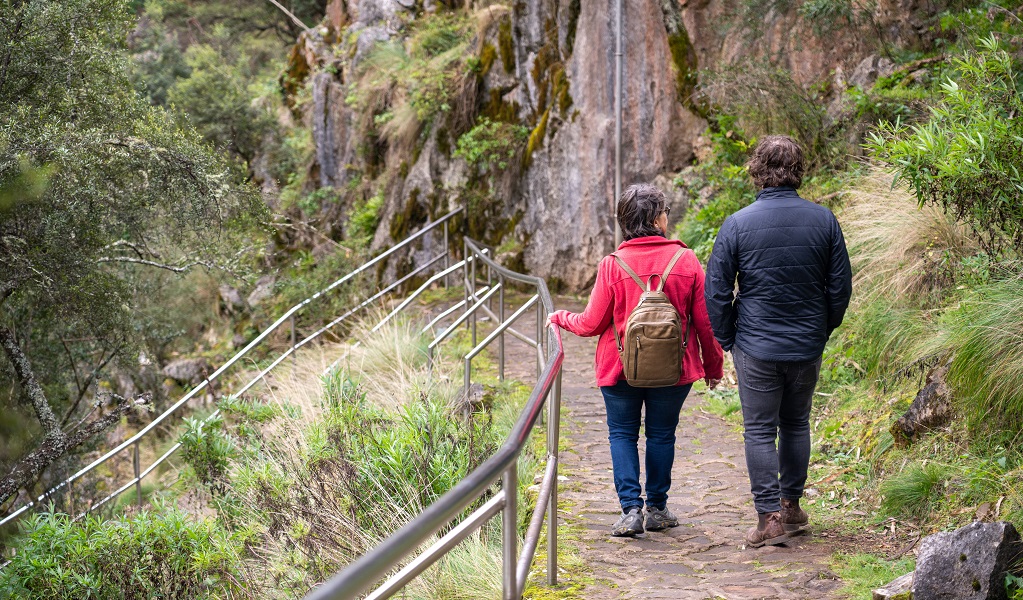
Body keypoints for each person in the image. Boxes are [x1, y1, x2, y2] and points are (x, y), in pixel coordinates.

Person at [548, 183, 724, 537]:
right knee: (662, 435)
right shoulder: (686, 260)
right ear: (659, 219)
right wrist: (713, 367)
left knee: (622, 434)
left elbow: (591, 323)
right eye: (665, 212)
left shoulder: (613, 265)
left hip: (619, 368)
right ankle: (657, 508)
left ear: (625, 222)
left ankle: (631, 510)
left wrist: (559, 317)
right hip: (674, 370)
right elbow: (707, 323)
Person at [704, 135, 852, 547]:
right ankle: (791, 507)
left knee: (758, 429)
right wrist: (823, 328)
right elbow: (840, 287)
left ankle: (768, 517)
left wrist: (730, 337)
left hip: (756, 345)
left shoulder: (738, 223)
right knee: (795, 423)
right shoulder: (824, 220)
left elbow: (716, 290)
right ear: (798, 169)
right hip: (805, 344)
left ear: (757, 168)